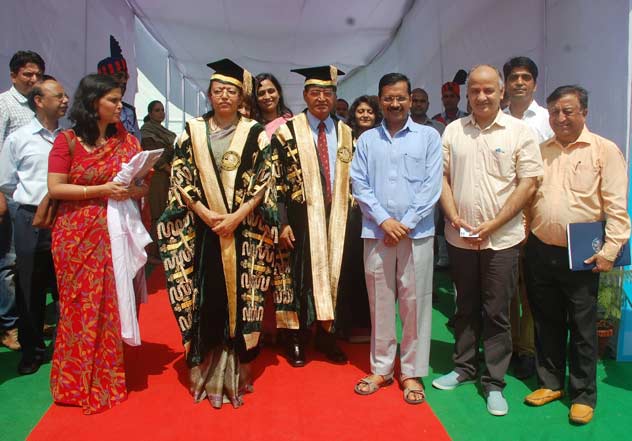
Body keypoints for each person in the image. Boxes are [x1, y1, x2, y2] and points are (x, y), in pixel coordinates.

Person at [157, 59, 277, 409]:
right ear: (209, 95)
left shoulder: (255, 132)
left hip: (244, 230)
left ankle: (235, 367)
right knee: (207, 294)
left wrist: (236, 217)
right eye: (218, 90)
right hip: (204, 229)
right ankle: (206, 365)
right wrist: (207, 214)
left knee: (240, 296)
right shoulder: (191, 131)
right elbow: (181, 176)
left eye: (231, 91)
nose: (224, 96)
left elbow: (264, 180)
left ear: (241, 97)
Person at [432, 65, 543, 417]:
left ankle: (494, 382)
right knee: (464, 307)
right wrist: (453, 216)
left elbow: (528, 183)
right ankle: (463, 367)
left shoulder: (519, 132)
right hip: (460, 237)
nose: (482, 96)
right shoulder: (453, 130)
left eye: (489, 90)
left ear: (501, 93)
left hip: (502, 240)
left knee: (497, 311)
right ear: (468, 95)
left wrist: (494, 224)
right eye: (475, 91)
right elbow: (441, 177)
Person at [524, 85, 630, 425]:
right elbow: (529, 199)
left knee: (583, 327)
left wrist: (610, 250)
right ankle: (550, 382)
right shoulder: (540, 151)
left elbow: (616, 206)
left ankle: (583, 394)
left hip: (583, 255)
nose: (560, 118)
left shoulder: (604, 150)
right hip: (541, 249)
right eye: (554, 112)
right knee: (546, 320)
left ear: (584, 112)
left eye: (568, 111)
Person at [47, 74, 148, 414]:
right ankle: (73, 384)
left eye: (120, 100)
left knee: (110, 304)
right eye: (113, 100)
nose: (120, 106)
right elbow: (56, 188)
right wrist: (101, 190)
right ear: (94, 103)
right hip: (75, 234)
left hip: (115, 231)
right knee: (77, 306)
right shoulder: (67, 141)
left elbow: (142, 186)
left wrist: (131, 190)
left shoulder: (127, 142)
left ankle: (106, 376)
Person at [350, 73, 442, 404]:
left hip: (416, 233)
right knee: (380, 301)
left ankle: (412, 371)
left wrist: (405, 223)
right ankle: (382, 368)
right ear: (380, 100)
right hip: (377, 232)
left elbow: (432, 184)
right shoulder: (367, 140)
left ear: (410, 99)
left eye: (401, 97)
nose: (395, 103)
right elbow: (359, 183)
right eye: (388, 98)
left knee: (415, 302)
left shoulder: (428, 137)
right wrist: (385, 220)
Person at [272, 65, 353, 367]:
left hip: (337, 220)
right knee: (298, 279)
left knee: (334, 277)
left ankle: (327, 336)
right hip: (300, 220)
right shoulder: (287, 132)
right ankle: (296, 338)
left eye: (327, 93)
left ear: (334, 96)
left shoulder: (346, 132)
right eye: (315, 92)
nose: (321, 98)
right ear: (305, 95)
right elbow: (275, 179)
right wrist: (282, 221)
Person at [0, 76, 67, 374]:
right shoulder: (19, 139)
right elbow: (6, 181)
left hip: (64, 218)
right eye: (59, 96)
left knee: (64, 286)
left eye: (65, 96)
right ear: (39, 101)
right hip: (30, 219)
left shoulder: (70, 138)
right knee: (30, 287)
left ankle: (67, 348)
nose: (65, 100)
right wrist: (32, 204)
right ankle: (32, 351)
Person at [502, 56, 554, 380]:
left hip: (538, 212)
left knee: (532, 287)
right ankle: (505, 346)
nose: (519, 82)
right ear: (505, 84)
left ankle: (528, 350)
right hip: (504, 214)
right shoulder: (496, 119)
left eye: (525, 77)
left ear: (534, 82)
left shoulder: (549, 120)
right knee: (506, 285)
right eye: (514, 77)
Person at [0, 50, 45, 351]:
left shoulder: (37, 105)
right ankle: (8, 325)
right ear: (13, 75)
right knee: (10, 262)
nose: (33, 79)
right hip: (12, 196)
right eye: (27, 74)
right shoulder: (5, 104)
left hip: (37, 200)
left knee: (33, 264)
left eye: (37, 74)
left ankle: (31, 318)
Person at [338, 94, 382, 343]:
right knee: (350, 267)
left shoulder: (381, 139)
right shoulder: (344, 139)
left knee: (374, 270)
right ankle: (347, 323)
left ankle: (370, 324)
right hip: (349, 213)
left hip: (376, 213)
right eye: (361, 111)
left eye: (370, 112)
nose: (365, 115)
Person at [411, 87, 449, 270]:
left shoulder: (439, 128)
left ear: (428, 104)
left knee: (431, 232)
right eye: (415, 100)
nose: (418, 104)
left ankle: (431, 276)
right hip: (408, 189)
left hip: (434, 189)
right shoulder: (398, 126)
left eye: (422, 101)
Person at [139, 100, 175, 265]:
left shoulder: (163, 132)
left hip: (166, 177)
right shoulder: (147, 131)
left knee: (165, 211)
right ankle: (153, 252)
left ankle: (163, 249)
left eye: (162, 110)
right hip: (155, 177)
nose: (161, 113)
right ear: (150, 113)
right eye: (157, 110)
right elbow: (153, 156)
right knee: (156, 213)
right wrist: (169, 169)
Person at [98, 35, 141, 141]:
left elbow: (137, 143)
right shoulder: (93, 110)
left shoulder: (129, 112)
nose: (123, 81)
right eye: (118, 77)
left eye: (125, 77)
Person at [254, 72, 293, 138]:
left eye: (271, 91)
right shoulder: (252, 127)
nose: (267, 97)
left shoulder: (291, 122)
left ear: (279, 93)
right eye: (261, 93)